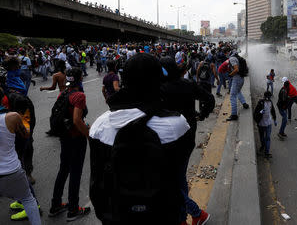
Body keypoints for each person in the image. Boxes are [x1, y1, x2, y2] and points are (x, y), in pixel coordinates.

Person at [89, 53, 190, 225]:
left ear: (124, 80)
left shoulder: (99, 126)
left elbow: (96, 183)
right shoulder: (177, 125)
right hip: (163, 214)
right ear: (158, 81)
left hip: (117, 216)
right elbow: (178, 176)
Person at [160, 57, 213, 225]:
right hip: (188, 137)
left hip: (169, 141)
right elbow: (209, 99)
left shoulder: (160, 89)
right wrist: (202, 114)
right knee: (178, 178)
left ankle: (196, 213)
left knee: (169, 181)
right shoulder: (188, 84)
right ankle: (185, 218)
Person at [49, 68, 91, 222]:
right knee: (75, 172)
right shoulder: (79, 96)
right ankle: (73, 209)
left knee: (63, 170)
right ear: (80, 79)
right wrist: (88, 135)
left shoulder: (63, 93)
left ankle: (56, 205)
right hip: (75, 138)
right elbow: (76, 120)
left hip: (64, 137)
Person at [0, 92, 41, 225]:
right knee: (29, 199)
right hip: (11, 169)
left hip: (11, 169)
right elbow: (25, 134)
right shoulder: (12, 117)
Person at [226, 51, 249, 121]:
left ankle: (234, 115)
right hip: (241, 78)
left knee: (232, 96)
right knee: (238, 91)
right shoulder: (238, 58)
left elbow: (236, 69)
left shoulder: (232, 58)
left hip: (237, 78)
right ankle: (244, 103)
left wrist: (230, 75)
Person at [254, 91, 276, 158]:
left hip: (269, 123)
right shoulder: (260, 103)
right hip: (261, 124)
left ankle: (267, 152)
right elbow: (255, 113)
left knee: (268, 138)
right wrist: (260, 112)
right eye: (267, 97)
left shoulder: (270, 102)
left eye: (269, 97)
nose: (268, 98)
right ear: (265, 97)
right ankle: (263, 145)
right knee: (262, 137)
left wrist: (274, 119)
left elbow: (273, 111)